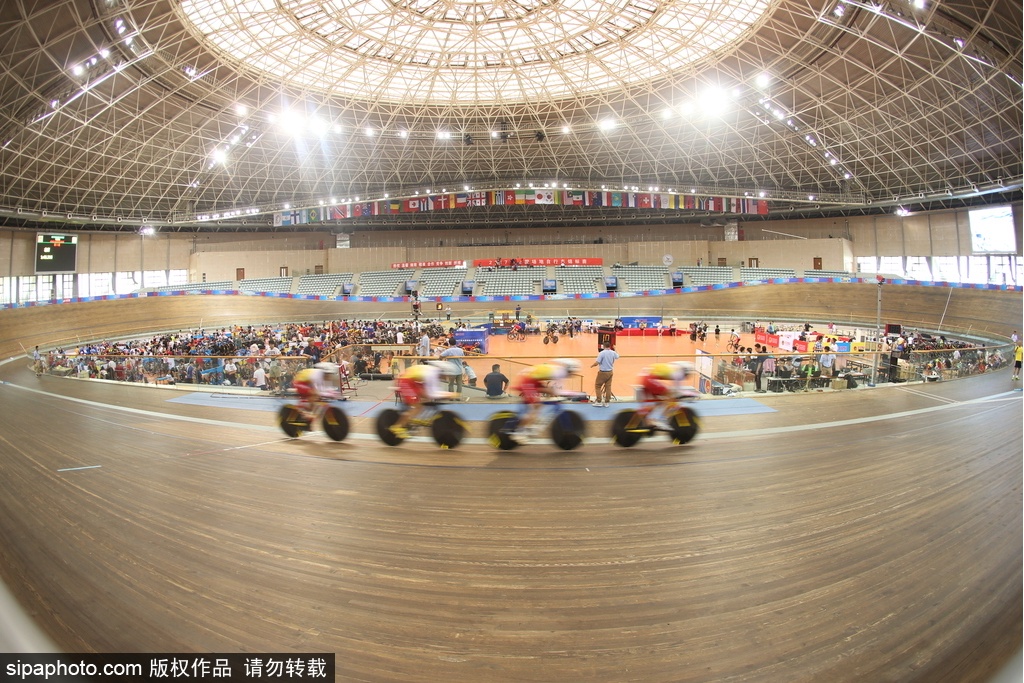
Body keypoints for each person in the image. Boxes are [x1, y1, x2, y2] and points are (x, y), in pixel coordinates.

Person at [511, 358, 581, 436]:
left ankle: (532, 419)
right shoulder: (560, 373)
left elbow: (554, 390)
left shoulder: (560, 370)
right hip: (528, 380)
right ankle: (520, 431)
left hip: (533, 380)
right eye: (573, 372)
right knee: (537, 405)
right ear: (569, 369)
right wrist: (576, 393)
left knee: (550, 393)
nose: (573, 374)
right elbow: (558, 391)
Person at [390, 361, 460, 438]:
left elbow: (431, 391)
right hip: (405, 381)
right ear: (442, 371)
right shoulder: (431, 374)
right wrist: (449, 395)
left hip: (411, 381)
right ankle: (397, 427)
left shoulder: (434, 373)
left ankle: (416, 417)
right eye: (447, 375)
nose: (447, 377)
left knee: (425, 396)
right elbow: (432, 393)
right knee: (418, 407)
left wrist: (446, 394)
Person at [624, 362, 699, 431]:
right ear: (686, 371)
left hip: (644, 378)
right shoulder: (679, 373)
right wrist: (692, 394)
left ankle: (648, 422)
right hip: (649, 379)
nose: (689, 376)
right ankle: (662, 419)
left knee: (656, 402)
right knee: (670, 396)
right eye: (689, 374)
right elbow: (677, 391)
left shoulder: (674, 368)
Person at [591, 342, 619, 407]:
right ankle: (607, 402)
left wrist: (592, 365)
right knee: (608, 387)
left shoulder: (602, 353)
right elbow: (617, 356)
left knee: (597, 386)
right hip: (610, 372)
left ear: (603, 346)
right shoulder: (613, 352)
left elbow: (597, 362)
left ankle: (599, 401)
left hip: (603, 372)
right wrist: (615, 348)